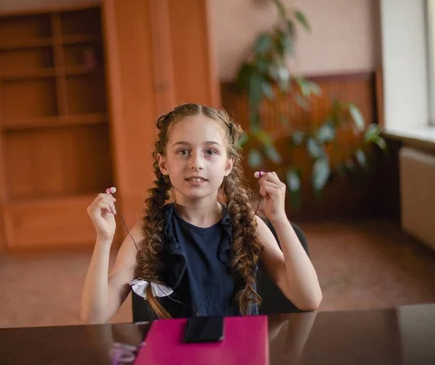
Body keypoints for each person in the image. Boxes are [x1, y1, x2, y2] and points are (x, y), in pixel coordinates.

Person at [80, 103, 322, 324]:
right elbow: (94, 317)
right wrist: (104, 239)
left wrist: (279, 220)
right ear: (163, 163)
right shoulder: (146, 232)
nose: (196, 163)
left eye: (210, 152)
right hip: (175, 363)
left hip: (239, 359)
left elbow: (308, 299)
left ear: (228, 165)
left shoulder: (249, 225)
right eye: (183, 151)